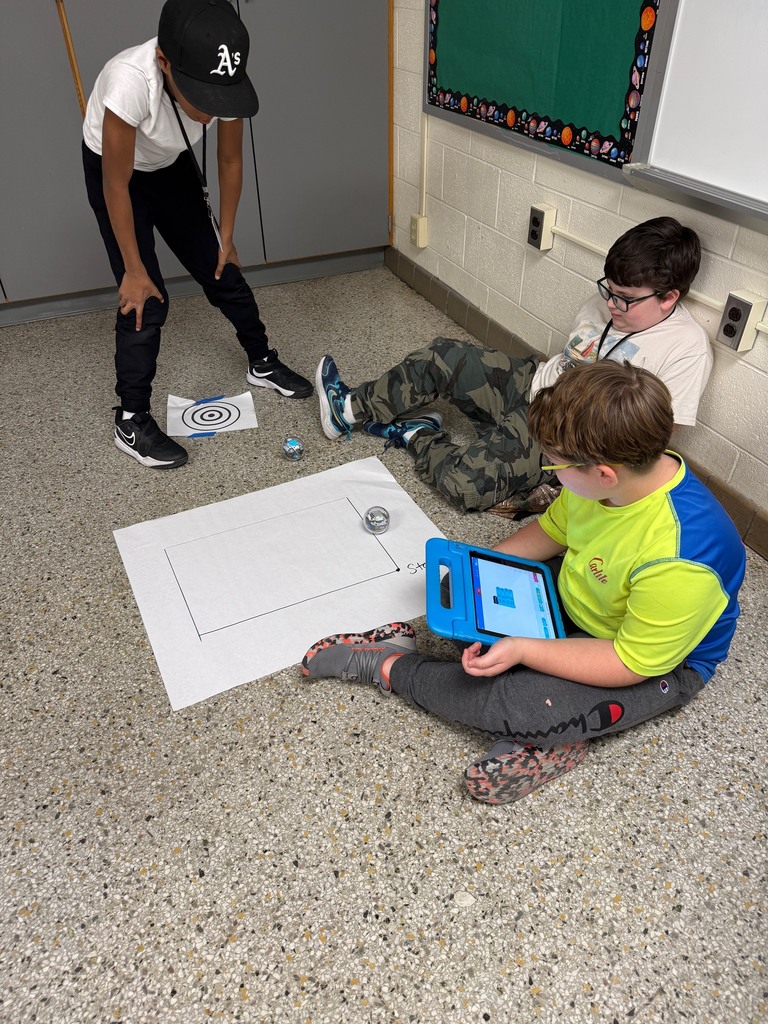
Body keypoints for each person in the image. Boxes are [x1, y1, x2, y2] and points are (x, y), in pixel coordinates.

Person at [302, 360, 746, 804]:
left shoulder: (682, 558)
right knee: (468, 615)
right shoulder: (608, 478)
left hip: (657, 664)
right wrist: (480, 569)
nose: (548, 472)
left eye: (553, 466)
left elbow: (629, 661)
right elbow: (552, 532)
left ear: (603, 473)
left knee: (518, 703)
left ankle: (388, 666)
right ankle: (549, 737)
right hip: (578, 600)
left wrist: (526, 649)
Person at [315, 217, 711, 513]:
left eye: (624, 298)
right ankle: (347, 409)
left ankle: (417, 434)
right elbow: (570, 357)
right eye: (608, 289)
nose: (611, 303)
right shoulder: (606, 301)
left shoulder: (685, 348)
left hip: (562, 437)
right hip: (535, 383)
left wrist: (573, 474)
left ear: (668, 296)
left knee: (464, 486)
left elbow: (653, 439)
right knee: (442, 355)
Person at [83, 0, 312, 470]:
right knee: (146, 294)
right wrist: (132, 268)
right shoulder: (131, 82)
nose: (211, 112)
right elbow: (116, 184)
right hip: (117, 173)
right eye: (200, 97)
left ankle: (261, 361)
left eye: (219, 99)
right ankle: (130, 419)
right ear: (165, 63)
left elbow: (229, 161)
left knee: (221, 267)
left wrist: (225, 235)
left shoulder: (224, 82)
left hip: (169, 165)